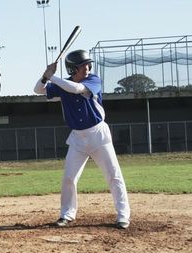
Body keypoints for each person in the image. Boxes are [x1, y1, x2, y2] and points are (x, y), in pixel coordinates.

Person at [33, 50, 131, 229]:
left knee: (113, 175)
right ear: (73, 68)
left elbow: (77, 89)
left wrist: (52, 77)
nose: (87, 68)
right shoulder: (62, 85)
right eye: (82, 65)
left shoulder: (93, 80)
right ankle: (67, 215)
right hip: (77, 138)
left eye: (88, 64)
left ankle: (123, 216)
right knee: (69, 178)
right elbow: (38, 90)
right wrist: (45, 77)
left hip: (98, 135)